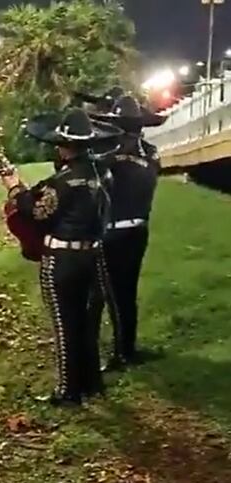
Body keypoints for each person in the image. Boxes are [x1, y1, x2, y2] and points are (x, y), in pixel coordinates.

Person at [0, 108, 122, 406]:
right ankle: (92, 383)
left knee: (65, 325)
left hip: (62, 262)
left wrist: (14, 186)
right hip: (93, 256)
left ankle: (68, 391)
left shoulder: (63, 181)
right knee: (86, 323)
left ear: (66, 146)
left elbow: (36, 212)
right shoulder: (102, 173)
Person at [87, 94, 166, 370]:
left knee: (110, 294)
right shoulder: (151, 152)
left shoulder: (107, 153)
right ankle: (127, 349)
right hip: (138, 230)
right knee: (127, 292)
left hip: (112, 233)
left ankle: (120, 354)